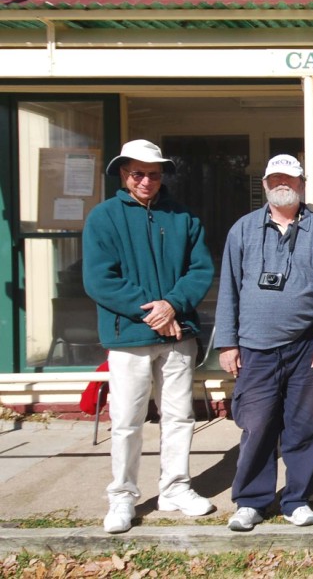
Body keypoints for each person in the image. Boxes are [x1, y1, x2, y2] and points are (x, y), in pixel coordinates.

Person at [83, 139, 216, 534]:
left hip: (178, 335)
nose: (146, 180)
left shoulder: (183, 216)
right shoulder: (103, 217)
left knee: (179, 416)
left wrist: (172, 304)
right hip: (130, 337)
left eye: (153, 174)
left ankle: (175, 488)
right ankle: (122, 495)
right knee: (127, 419)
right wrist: (154, 312)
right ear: (123, 174)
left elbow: (200, 270)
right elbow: (100, 279)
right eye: (138, 173)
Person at [216, 154, 313, 531]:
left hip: (306, 347)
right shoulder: (242, 229)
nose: (282, 184)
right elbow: (228, 288)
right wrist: (227, 342)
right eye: (275, 179)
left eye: (289, 178)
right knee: (257, 425)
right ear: (265, 184)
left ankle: (296, 499)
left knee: (305, 427)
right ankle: (251, 501)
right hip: (254, 348)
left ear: (302, 184)